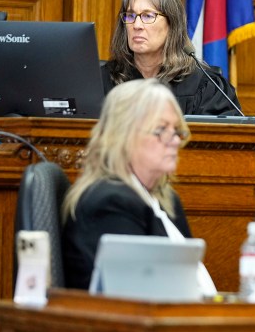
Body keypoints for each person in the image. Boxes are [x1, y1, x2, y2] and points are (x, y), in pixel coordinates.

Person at [61, 78, 215, 293]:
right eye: (161, 129)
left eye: (177, 130)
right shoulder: (109, 204)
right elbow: (133, 301)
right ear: (122, 136)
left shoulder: (166, 201)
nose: (175, 140)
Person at [101, 0, 244, 117]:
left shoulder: (206, 87)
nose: (136, 25)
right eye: (130, 16)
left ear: (172, 24)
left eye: (148, 16)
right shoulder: (102, 81)